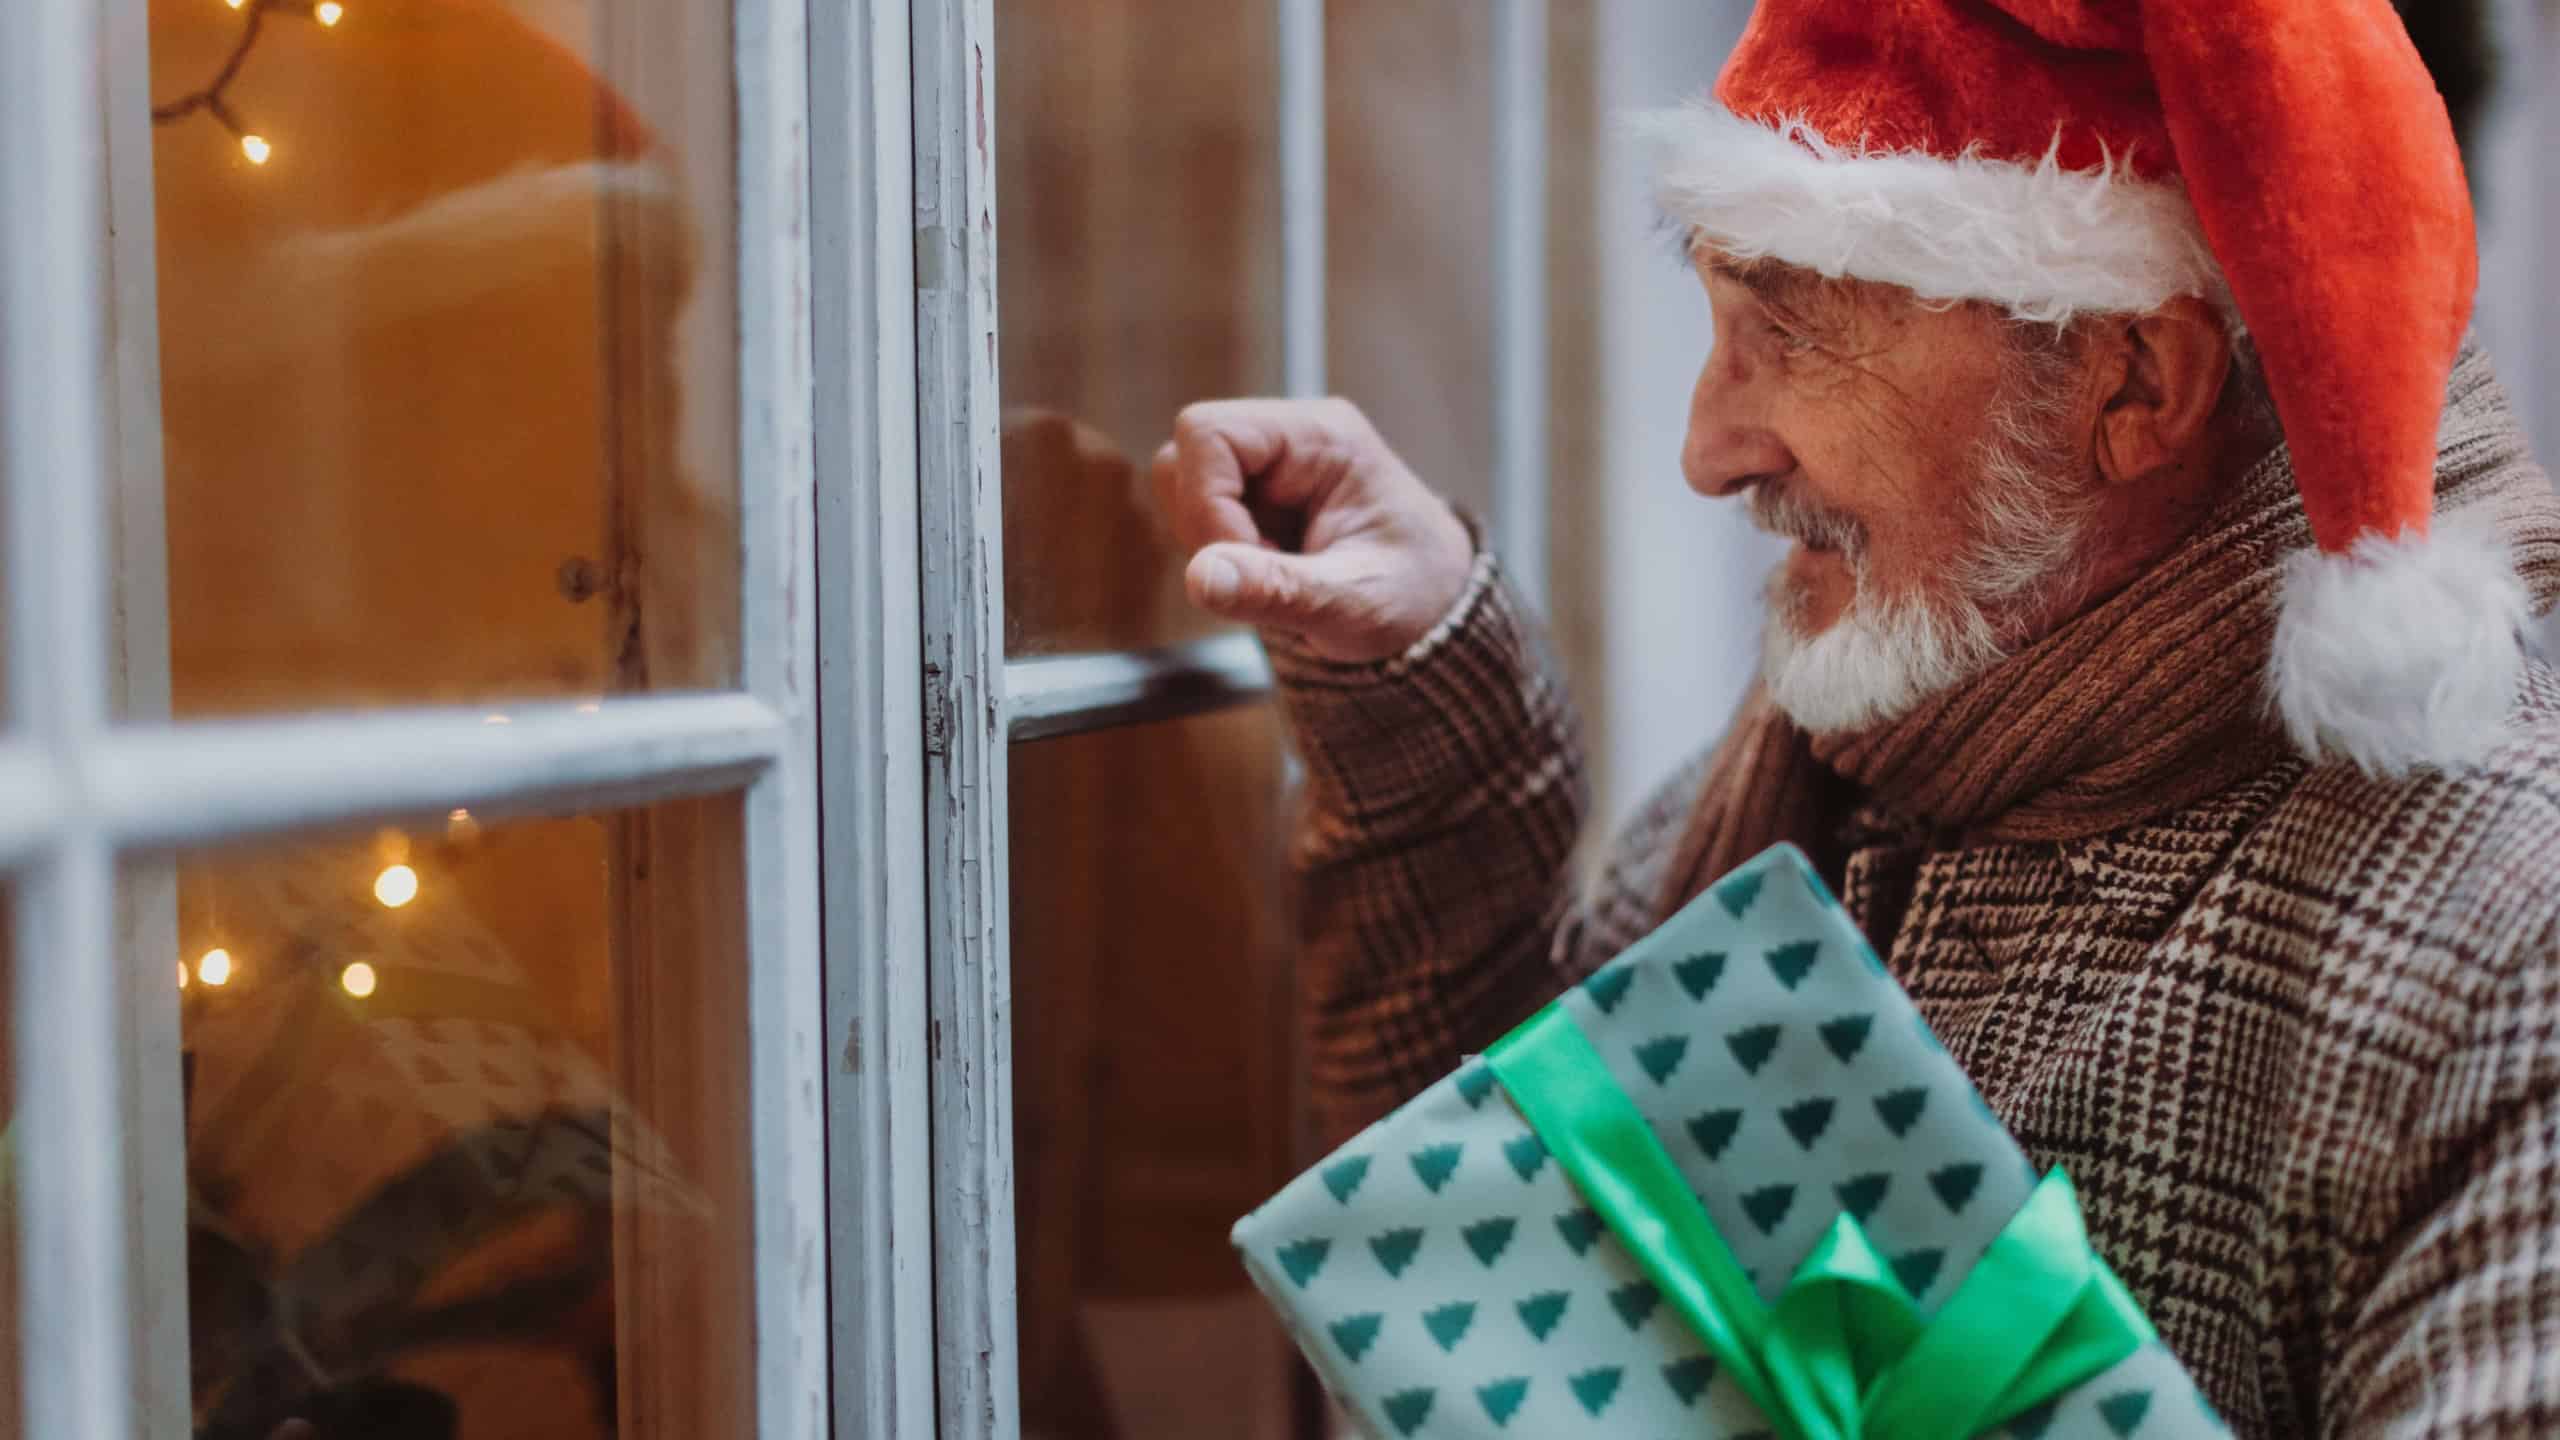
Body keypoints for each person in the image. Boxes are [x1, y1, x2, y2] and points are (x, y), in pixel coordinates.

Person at [1148, 2, 2560, 1435]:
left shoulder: (2518, 945)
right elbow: (1542, 1248)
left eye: (1794, 329)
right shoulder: (1884, 731)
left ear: (2136, 383)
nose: (1708, 448)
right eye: (1716, 318)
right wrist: (1417, 678)